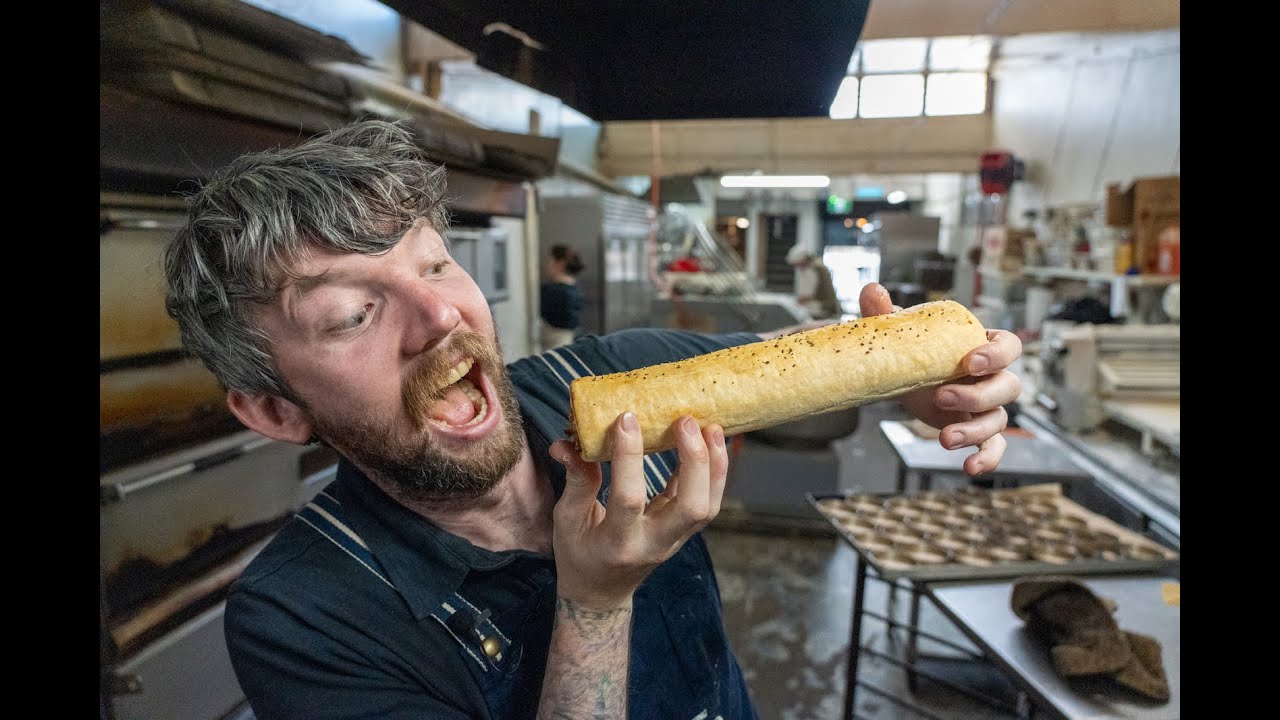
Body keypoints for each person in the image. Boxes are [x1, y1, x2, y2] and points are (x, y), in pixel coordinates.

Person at [163, 118, 1024, 719]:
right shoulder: (305, 618)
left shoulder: (610, 372)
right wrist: (598, 601)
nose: (440, 319)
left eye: (435, 265)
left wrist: (928, 375)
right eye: (354, 313)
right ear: (277, 410)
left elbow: (817, 360)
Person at [539, 244, 585, 349]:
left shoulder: (553, 291)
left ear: (560, 264)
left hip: (555, 345)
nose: (546, 265)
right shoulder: (573, 288)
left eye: (549, 261)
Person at [786, 244, 842, 319]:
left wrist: (794, 302)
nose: (798, 268)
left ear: (803, 260)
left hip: (824, 309)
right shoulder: (817, 265)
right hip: (827, 308)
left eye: (798, 265)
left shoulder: (813, 269)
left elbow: (809, 295)